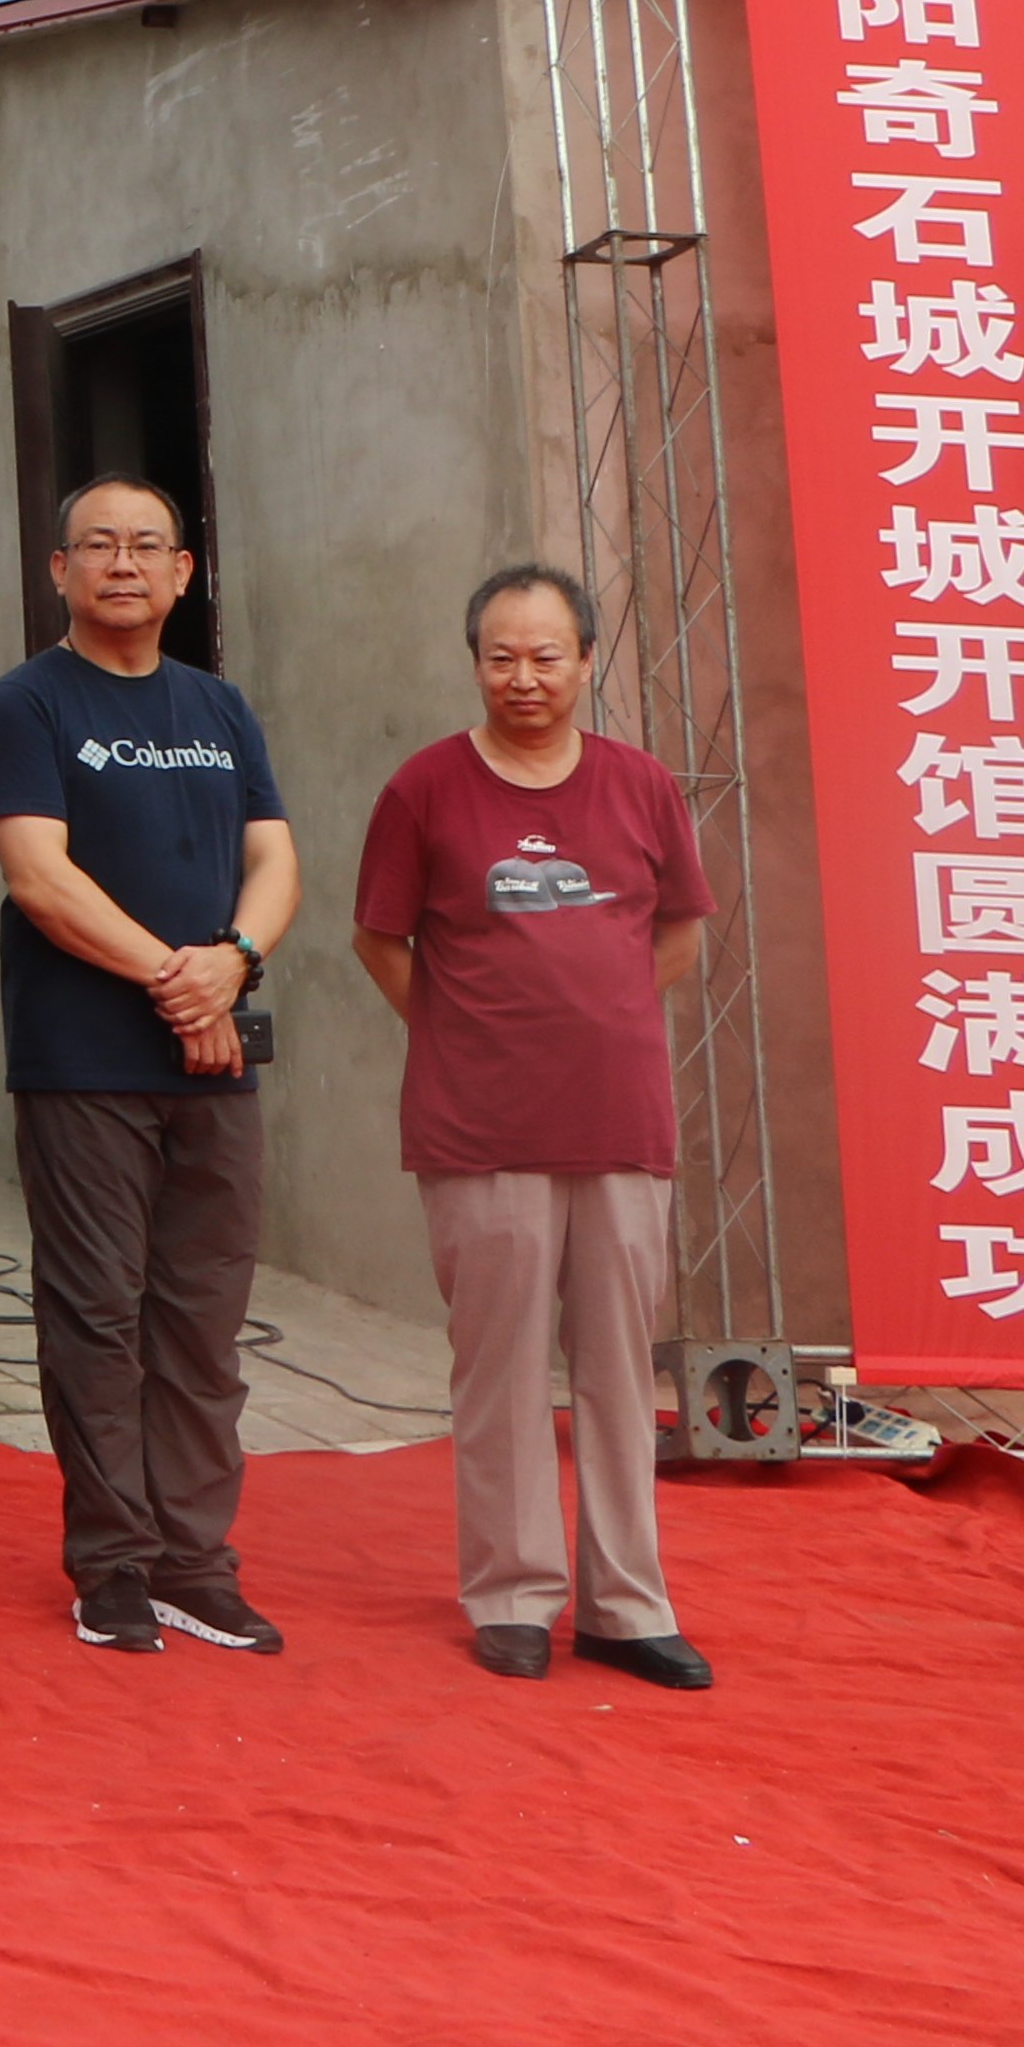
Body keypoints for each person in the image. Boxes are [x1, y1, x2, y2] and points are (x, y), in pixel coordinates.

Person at [354, 565, 714, 1691]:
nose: (524, 676)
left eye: (546, 655)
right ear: (474, 662)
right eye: (502, 656)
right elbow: (381, 941)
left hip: (619, 1122)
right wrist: (469, 1034)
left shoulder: (642, 784)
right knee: (499, 1369)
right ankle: (512, 1592)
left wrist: (591, 1018)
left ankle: (625, 1603)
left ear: (586, 660)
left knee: (617, 1369)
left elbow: (680, 934)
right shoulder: (425, 789)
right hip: (480, 1130)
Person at [0, 477, 299, 1660]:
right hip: (84, 1064)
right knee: (97, 1319)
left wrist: (238, 961)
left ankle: (197, 1563)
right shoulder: (28, 703)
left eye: (147, 545)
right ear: (57, 570)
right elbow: (38, 879)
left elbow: (276, 859)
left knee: (204, 1324)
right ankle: (112, 1562)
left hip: (215, 1065)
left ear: (183, 572)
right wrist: (184, 979)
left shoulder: (220, 706)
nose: (123, 563)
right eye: (97, 545)